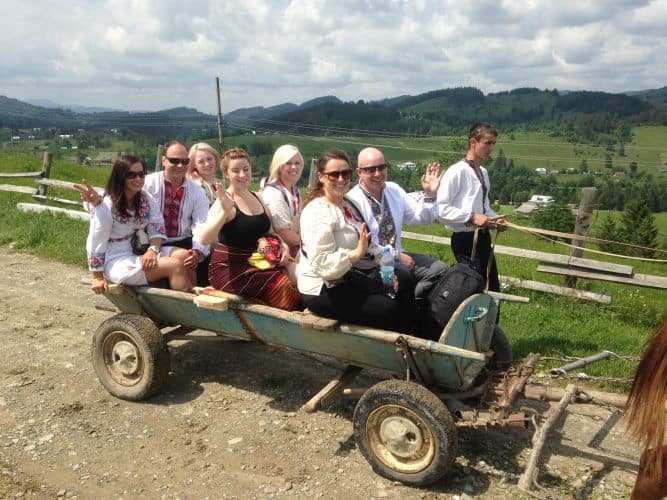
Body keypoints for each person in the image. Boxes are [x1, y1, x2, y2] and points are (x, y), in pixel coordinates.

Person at [297, 149, 422, 336]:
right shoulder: (317, 211)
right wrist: (355, 255)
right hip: (322, 287)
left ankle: (417, 336)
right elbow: (322, 264)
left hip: (348, 276)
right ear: (321, 177)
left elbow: (367, 242)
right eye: (334, 175)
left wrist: (385, 265)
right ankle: (400, 347)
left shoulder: (347, 203)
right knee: (388, 308)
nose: (341, 179)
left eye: (345, 173)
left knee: (402, 278)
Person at [78, 141, 211, 285]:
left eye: (141, 174)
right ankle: (183, 304)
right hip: (118, 256)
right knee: (175, 265)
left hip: (147, 246)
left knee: (185, 257)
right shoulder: (144, 186)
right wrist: (97, 277)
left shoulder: (146, 198)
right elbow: (96, 240)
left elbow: (161, 225)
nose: (138, 179)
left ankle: (191, 296)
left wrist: (154, 250)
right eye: (131, 175)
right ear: (164, 160)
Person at [195, 148, 301, 311]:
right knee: (282, 284)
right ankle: (288, 327)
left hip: (261, 258)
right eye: (236, 171)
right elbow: (204, 239)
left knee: (302, 275)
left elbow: (270, 231)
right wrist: (224, 211)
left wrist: (284, 246)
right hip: (231, 268)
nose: (242, 175)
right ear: (226, 174)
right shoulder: (224, 202)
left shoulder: (257, 196)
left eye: (246, 169)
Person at [347, 147, 448, 298]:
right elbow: (365, 246)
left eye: (382, 167)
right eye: (371, 170)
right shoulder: (352, 200)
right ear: (359, 172)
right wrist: (396, 256)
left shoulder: (393, 190)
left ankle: (415, 301)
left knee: (441, 270)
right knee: (404, 274)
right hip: (372, 263)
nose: (378, 173)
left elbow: (419, 219)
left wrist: (430, 195)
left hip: (399, 256)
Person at [436, 122, 507, 291]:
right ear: (473, 142)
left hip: (483, 238)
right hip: (465, 240)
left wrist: (494, 221)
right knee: (471, 290)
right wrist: (472, 217)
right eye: (487, 143)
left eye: (493, 143)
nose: (491, 148)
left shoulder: (483, 172)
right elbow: (441, 209)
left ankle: (490, 318)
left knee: (491, 288)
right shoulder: (456, 171)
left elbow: (484, 207)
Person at [259, 144, 304, 283]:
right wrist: (310, 242)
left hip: (295, 247)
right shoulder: (274, 193)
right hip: (282, 254)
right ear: (279, 166)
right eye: (288, 163)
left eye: (297, 163)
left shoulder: (294, 190)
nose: (294, 167)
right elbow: (285, 235)